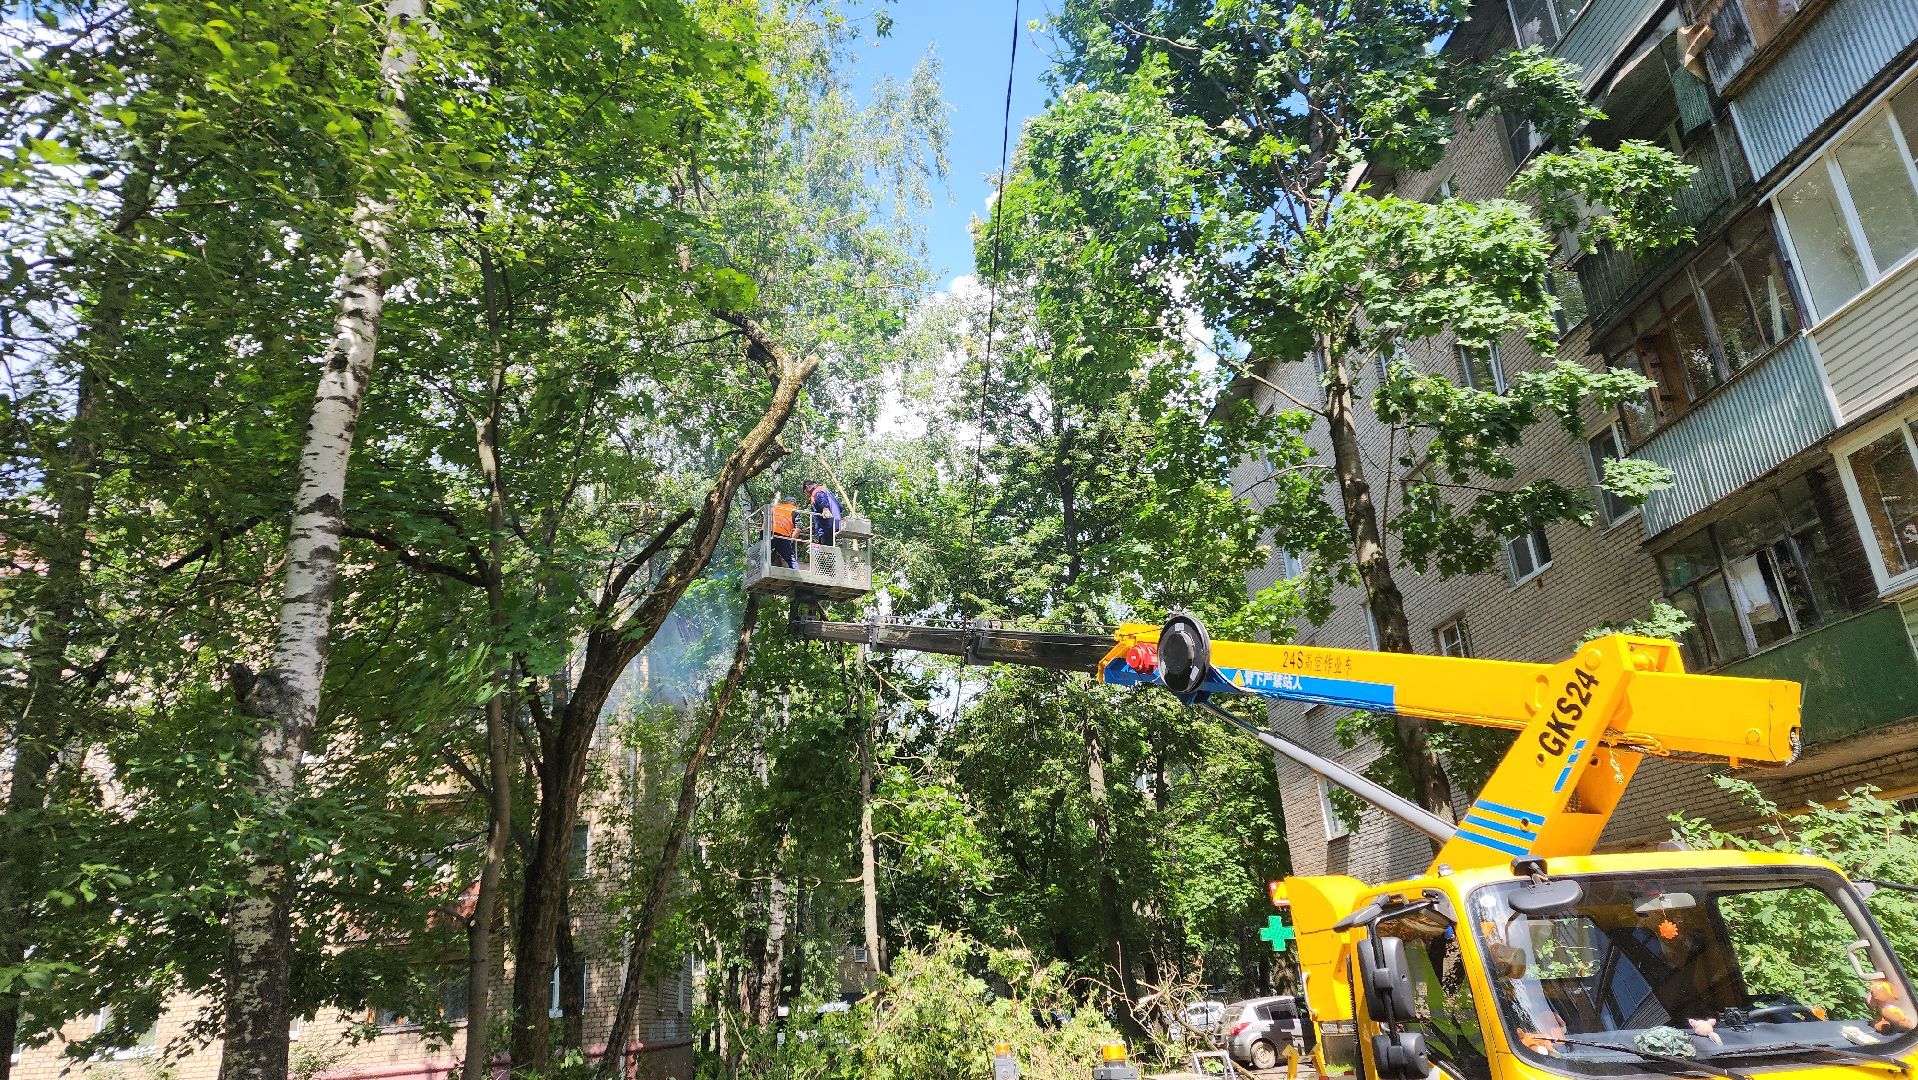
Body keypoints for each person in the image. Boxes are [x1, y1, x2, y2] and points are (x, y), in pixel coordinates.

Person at [804, 480, 843, 548]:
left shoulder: (817, 491)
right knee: (827, 545)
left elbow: (822, 499)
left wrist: (825, 509)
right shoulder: (827, 491)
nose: (807, 495)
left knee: (826, 548)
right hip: (835, 524)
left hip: (827, 525)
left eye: (805, 493)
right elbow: (840, 507)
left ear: (807, 487)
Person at [769, 495, 800, 568]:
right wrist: (791, 540)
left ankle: (755, 569)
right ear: (794, 503)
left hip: (765, 532)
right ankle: (797, 575)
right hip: (781, 533)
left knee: (761, 552)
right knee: (790, 558)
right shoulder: (794, 509)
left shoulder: (775, 507)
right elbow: (799, 528)